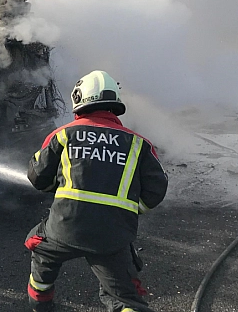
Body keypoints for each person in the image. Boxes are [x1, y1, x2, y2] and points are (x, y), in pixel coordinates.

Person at [25, 70, 168, 312]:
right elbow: (156, 189)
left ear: (79, 99)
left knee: (38, 246)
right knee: (124, 299)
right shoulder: (139, 144)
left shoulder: (62, 135)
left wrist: (60, 189)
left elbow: (37, 177)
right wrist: (129, 208)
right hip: (113, 235)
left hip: (64, 228)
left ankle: (42, 304)